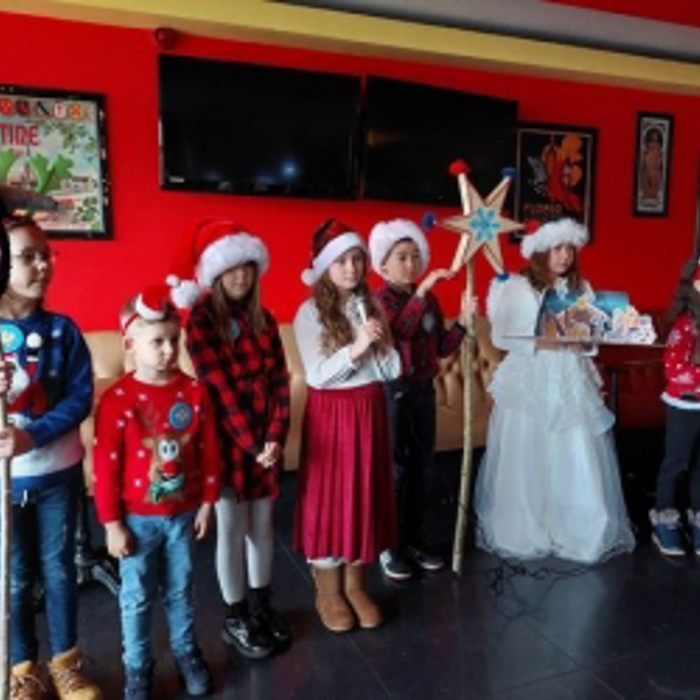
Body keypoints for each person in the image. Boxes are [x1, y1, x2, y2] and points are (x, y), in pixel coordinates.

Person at [474, 218, 635, 563]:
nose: (564, 256)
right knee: (528, 447)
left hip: (568, 374)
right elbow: (501, 337)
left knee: (573, 447)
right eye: (558, 248)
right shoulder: (515, 286)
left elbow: (591, 341)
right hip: (531, 375)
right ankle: (528, 524)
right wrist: (540, 341)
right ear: (540, 250)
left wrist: (596, 330)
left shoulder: (582, 288)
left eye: (570, 249)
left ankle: (574, 526)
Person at [93, 285, 220, 699]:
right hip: (137, 521)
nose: (168, 350)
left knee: (182, 590)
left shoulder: (194, 392)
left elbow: (209, 450)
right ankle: (137, 665)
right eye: (157, 342)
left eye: (173, 340)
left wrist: (207, 502)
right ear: (130, 344)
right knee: (137, 597)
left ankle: (186, 652)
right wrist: (111, 524)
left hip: (183, 516)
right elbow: (105, 468)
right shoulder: (116, 401)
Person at [0, 216, 101, 699]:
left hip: (58, 475)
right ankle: (23, 670)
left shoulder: (63, 331)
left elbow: (81, 398)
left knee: (60, 572)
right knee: (15, 579)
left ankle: (66, 664)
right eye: (27, 256)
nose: (42, 264)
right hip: (7, 485)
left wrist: (32, 436)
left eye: (46, 254)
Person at [181, 220, 291, 660]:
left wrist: (276, 436)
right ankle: (235, 615)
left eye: (248, 266)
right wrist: (254, 444)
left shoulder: (264, 318)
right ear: (215, 273)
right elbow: (219, 391)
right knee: (232, 527)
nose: (242, 276)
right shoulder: (201, 322)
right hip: (228, 443)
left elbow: (281, 380)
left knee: (263, 525)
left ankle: (262, 604)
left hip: (266, 442)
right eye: (232, 268)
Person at [293, 218, 401, 633]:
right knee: (330, 497)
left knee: (364, 494)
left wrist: (379, 343)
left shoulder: (371, 306)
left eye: (357, 259)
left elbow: (391, 370)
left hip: (369, 408)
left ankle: (356, 586)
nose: (352, 268)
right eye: (341, 261)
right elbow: (318, 374)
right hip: (333, 413)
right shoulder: (309, 312)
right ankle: (328, 590)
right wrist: (355, 348)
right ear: (324, 267)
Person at [368, 218, 471, 580]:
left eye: (415, 256)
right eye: (401, 257)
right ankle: (389, 545)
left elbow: (441, 346)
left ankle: (417, 539)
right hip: (393, 393)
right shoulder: (379, 300)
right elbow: (401, 331)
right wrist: (423, 290)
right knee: (395, 470)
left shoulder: (429, 300)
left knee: (422, 468)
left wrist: (462, 324)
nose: (410, 264)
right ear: (383, 264)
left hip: (424, 391)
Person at [649, 259, 700, 557]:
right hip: (685, 405)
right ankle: (665, 519)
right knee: (676, 463)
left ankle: (697, 519)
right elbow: (674, 368)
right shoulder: (684, 325)